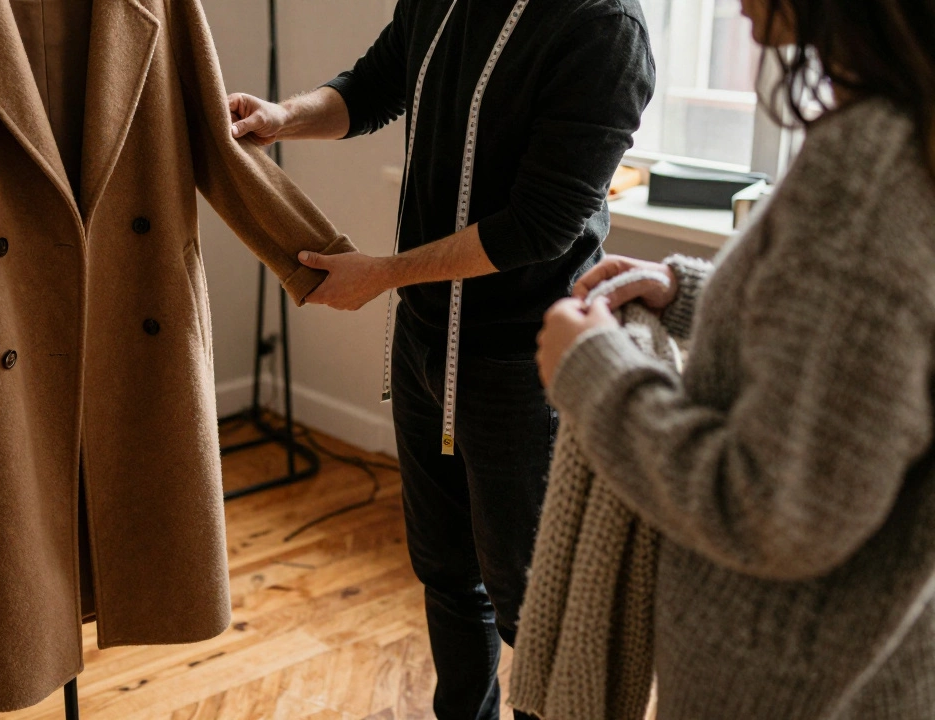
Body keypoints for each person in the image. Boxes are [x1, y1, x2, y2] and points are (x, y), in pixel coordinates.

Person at [228, 1, 654, 717]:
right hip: (425, 339)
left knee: (529, 603)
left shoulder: (603, 27)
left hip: (527, 362)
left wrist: (382, 274)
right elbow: (374, 85)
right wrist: (284, 117)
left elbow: (539, 227)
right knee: (447, 575)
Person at [535, 0, 935, 716]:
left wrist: (594, 374)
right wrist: (683, 288)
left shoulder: (867, 173)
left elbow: (776, 510)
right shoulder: (903, 135)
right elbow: (850, 334)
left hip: (786, 691)